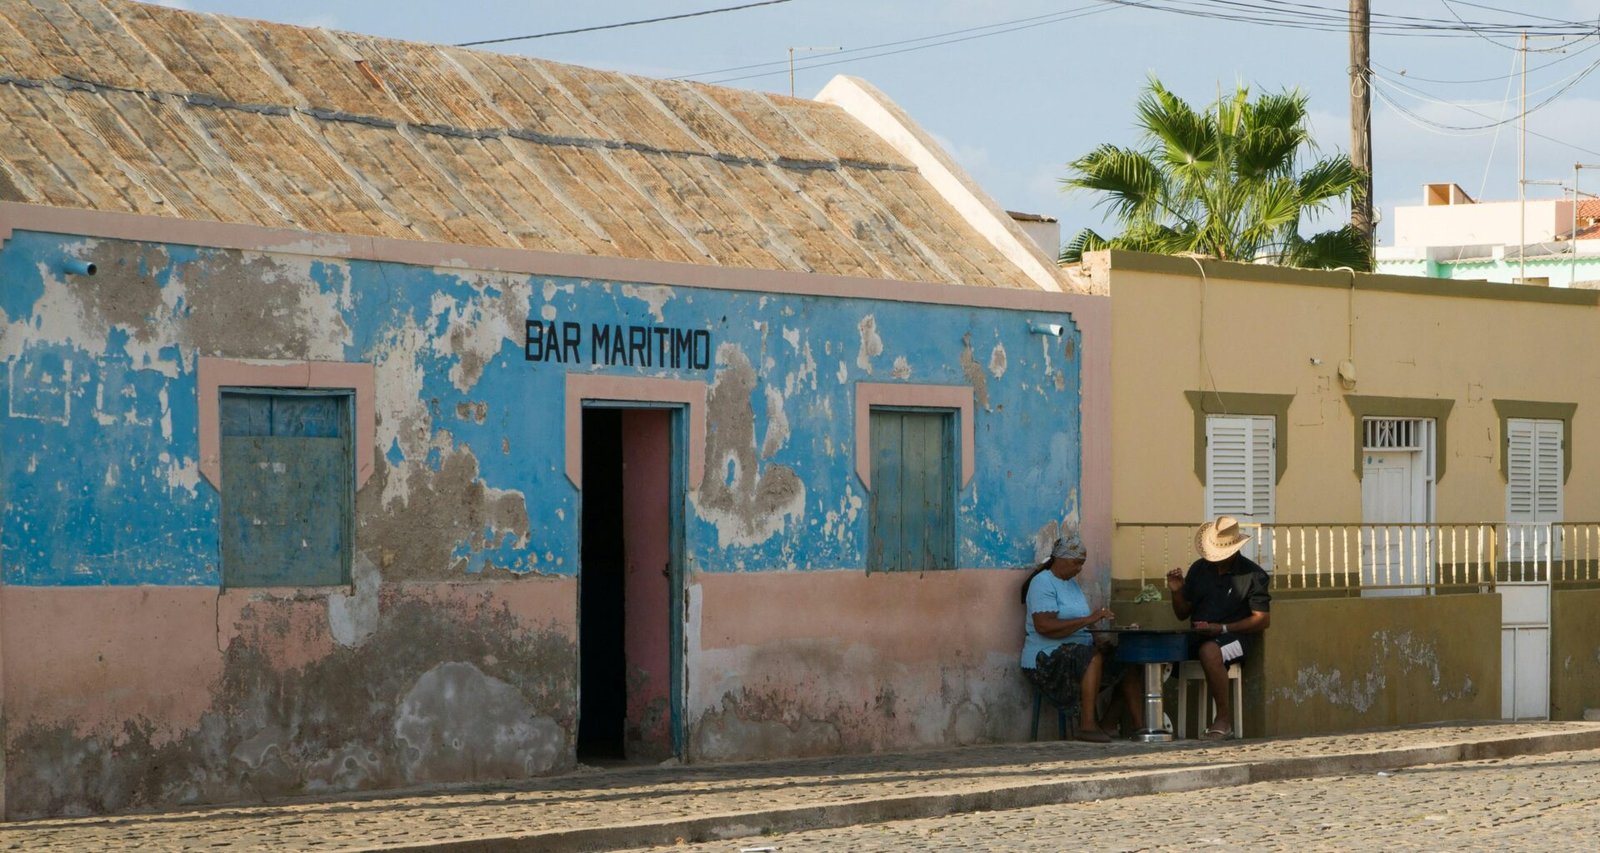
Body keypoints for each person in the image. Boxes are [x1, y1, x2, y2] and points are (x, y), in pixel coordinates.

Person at [1021, 532, 1143, 742]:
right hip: (1046, 659)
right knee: (1090, 657)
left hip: (1076, 655)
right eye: (1077, 563)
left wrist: (1098, 639)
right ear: (1061, 559)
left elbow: (1081, 620)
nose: (1079, 569)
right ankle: (1087, 726)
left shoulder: (1072, 584)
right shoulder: (1042, 583)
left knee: (1127, 661)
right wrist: (1089, 619)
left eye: (1082, 564)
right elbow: (1044, 626)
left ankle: (1128, 726)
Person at [1165, 515, 1272, 741]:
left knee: (1210, 651)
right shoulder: (1199, 569)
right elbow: (1182, 613)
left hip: (1236, 638)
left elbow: (1262, 620)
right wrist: (1177, 592)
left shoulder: (1253, 575)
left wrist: (1221, 628)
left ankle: (1223, 719)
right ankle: (1140, 722)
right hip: (1199, 636)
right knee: (1156, 650)